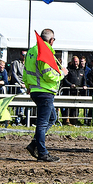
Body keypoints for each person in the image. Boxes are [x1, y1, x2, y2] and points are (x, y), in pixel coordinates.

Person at [23, 28, 66, 162]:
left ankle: (34, 143)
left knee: (52, 118)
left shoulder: (31, 51)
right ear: (51, 40)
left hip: (35, 90)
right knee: (42, 124)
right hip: (45, 92)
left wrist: (28, 86)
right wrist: (62, 74)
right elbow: (48, 75)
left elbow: (25, 71)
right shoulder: (45, 52)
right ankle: (42, 152)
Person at [62, 55, 86, 125]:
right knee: (67, 107)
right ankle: (66, 120)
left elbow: (84, 79)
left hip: (77, 91)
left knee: (75, 107)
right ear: (72, 62)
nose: (76, 63)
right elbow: (65, 79)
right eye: (75, 61)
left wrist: (84, 85)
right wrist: (70, 85)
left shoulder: (81, 70)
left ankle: (74, 120)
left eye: (77, 62)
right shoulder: (68, 70)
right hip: (69, 91)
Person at [10, 50, 27, 125]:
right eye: (23, 55)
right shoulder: (16, 62)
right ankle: (18, 119)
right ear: (20, 55)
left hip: (27, 84)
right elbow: (14, 74)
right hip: (19, 84)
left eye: (26, 55)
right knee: (21, 100)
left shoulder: (28, 63)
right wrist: (21, 84)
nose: (24, 56)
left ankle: (26, 119)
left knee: (28, 102)